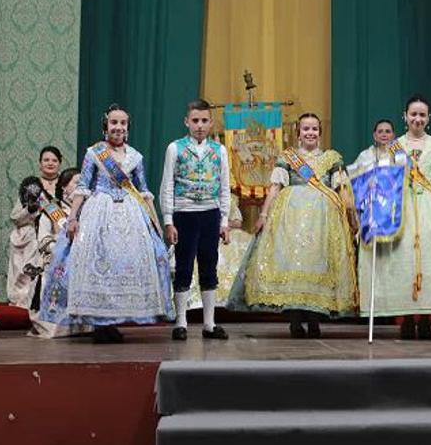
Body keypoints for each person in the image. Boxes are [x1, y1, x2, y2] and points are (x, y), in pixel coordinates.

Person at [38, 104, 173, 343]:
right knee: (98, 264)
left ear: (128, 128)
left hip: (131, 216)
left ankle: (114, 321)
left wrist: (155, 222)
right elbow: (83, 187)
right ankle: (99, 323)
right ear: (106, 126)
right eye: (114, 123)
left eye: (122, 123)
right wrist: (72, 218)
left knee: (125, 266)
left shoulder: (135, 157)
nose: (118, 127)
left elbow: (143, 190)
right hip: (99, 214)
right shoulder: (94, 153)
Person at [356, 95, 431, 340]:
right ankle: (407, 318)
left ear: (428, 119)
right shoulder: (394, 145)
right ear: (405, 116)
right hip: (400, 209)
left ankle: (425, 318)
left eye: (422, 115)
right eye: (413, 114)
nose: (418, 119)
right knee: (402, 264)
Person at [229, 112, 357, 338]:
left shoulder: (332, 158)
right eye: (306, 129)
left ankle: (315, 319)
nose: (310, 133)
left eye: (315, 129)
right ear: (298, 133)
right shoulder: (287, 158)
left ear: (320, 132)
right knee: (294, 268)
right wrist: (264, 214)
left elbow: (342, 190)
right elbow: (275, 188)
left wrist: (350, 215)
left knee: (317, 266)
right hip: (290, 218)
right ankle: (295, 320)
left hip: (322, 221)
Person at [160, 99, 231, 341]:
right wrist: (169, 219)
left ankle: (209, 323)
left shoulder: (219, 150)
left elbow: (224, 187)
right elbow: (167, 184)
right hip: (184, 213)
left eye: (204, 121)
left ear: (211, 123)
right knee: (183, 266)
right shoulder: (175, 148)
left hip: (210, 213)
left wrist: (224, 220)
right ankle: (181, 321)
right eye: (195, 121)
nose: (199, 126)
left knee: (209, 266)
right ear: (186, 122)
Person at [29, 168, 91, 338]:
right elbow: (43, 241)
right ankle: (55, 324)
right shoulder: (51, 210)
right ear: (64, 187)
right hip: (58, 257)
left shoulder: (90, 211)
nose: (81, 187)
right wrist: (64, 247)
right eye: (77, 183)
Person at [6, 146, 63, 309]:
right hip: (32, 231)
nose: (50, 163)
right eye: (46, 160)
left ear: (60, 163)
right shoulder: (32, 186)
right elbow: (16, 218)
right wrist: (30, 209)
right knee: (30, 238)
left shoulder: (66, 184)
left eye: (54, 160)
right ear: (39, 163)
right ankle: (24, 300)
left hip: (57, 232)